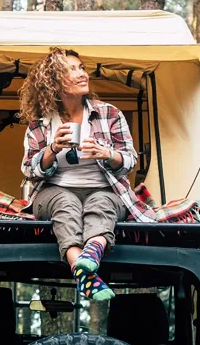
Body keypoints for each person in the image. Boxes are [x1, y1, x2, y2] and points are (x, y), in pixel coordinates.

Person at [19, 49, 154, 301]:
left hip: (104, 189)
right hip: (54, 191)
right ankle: (82, 271)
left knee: (101, 204)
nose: (82, 74)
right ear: (54, 81)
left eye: (81, 67)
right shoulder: (40, 124)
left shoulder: (109, 114)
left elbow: (130, 160)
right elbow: (28, 169)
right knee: (65, 203)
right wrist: (51, 149)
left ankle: (90, 256)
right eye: (72, 69)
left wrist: (106, 153)